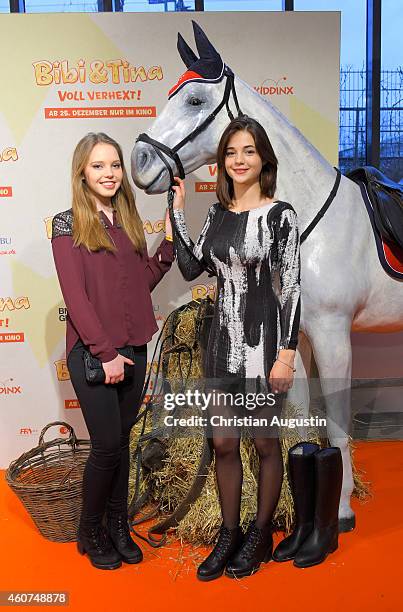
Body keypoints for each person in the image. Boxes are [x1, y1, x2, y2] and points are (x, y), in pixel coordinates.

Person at [170, 116, 301, 580]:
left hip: (265, 348)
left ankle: (260, 534)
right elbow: (189, 268)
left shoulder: (281, 215)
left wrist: (286, 353)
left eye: (248, 151)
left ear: (263, 158)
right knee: (223, 444)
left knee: (266, 444)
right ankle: (229, 534)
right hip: (221, 348)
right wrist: (177, 211)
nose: (238, 160)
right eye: (230, 153)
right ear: (222, 162)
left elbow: (292, 290)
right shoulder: (218, 215)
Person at [51, 132, 174, 570]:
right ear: (82, 172)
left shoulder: (127, 221)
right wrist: (105, 354)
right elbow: (77, 299)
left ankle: (118, 526)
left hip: (134, 348)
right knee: (105, 446)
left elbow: (139, 286)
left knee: (120, 443)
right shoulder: (66, 224)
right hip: (94, 354)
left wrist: (170, 243)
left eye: (115, 165)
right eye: (99, 166)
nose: (109, 173)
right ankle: (91, 529)